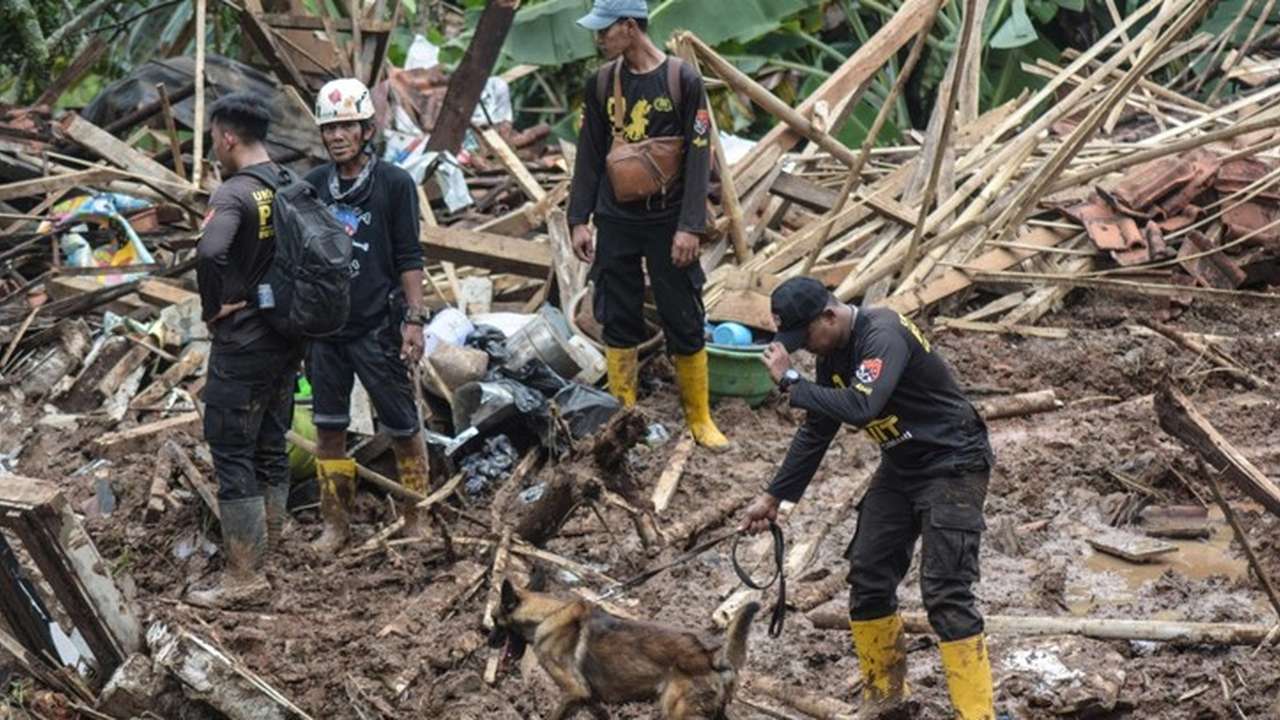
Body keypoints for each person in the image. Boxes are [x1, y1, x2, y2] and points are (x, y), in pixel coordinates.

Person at [739, 277, 997, 720]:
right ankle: (886, 702)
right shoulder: (833, 352)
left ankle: (978, 715)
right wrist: (774, 496)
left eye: (808, 338)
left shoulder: (883, 332)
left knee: (945, 592)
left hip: (953, 460)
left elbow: (863, 407)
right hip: (902, 466)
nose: (807, 348)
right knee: (869, 577)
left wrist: (791, 382)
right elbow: (818, 429)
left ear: (829, 315)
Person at [567, 0, 728, 450]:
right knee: (617, 313)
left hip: (668, 218)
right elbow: (590, 154)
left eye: (605, 30)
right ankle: (624, 416)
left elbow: (700, 154)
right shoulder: (601, 84)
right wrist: (578, 219)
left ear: (630, 28)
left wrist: (690, 226)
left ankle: (699, 417)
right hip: (616, 216)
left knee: (682, 314)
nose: (599, 39)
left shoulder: (682, 80)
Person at [304, 78, 429, 554]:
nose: (337, 137)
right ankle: (336, 523)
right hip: (327, 330)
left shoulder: (394, 184)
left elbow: (409, 256)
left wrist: (413, 319)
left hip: (378, 325)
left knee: (402, 424)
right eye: (329, 128)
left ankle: (416, 514)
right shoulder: (314, 186)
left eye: (346, 127)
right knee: (329, 427)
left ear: (365, 129)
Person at [190, 92, 298, 607]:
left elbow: (210, 249)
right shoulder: (291, 183)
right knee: (270, 444)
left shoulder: (234, 192)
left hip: (243, 341)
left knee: (232, 448)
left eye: (213, 137)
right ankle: (269, 553)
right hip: (287, 337)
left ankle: (244, 578)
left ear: (228, 137)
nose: (214, 146)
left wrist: (216, 306)